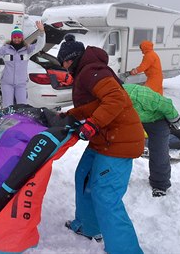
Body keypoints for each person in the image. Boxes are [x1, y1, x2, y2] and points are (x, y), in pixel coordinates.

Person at [48, 34, 144, 254]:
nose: (63, 67)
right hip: (105, 138)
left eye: (63, 62)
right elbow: (95, 105)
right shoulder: (87, 71)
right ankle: (89, 227)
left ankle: (125, 250)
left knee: (106, 195)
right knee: (84, 175)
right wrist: (70, 115)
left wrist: (92, 124)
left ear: (70, 60)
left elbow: (116, 99)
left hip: (118, 140)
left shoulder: (93, 71)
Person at [123, 83, 180, 197]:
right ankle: (118, 179)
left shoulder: (141, 96)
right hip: (135, 120)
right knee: (123, 148)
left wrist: (175, 119)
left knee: (159, 152)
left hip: (158, 120)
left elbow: (166, 104)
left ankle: (160, 184)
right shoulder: (111, 100)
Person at [0, 21, 45, 108]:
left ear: (22, 38)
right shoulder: (5, 49)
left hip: (21, 83)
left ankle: (20, 121)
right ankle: (8, 120)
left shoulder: (28, 50)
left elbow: (40, 45)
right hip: (7, 83)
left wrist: (41, 32)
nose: (17, 39)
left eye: (19, 37)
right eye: (15, 37)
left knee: (22, 106)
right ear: (12, 38)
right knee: (7, 106)